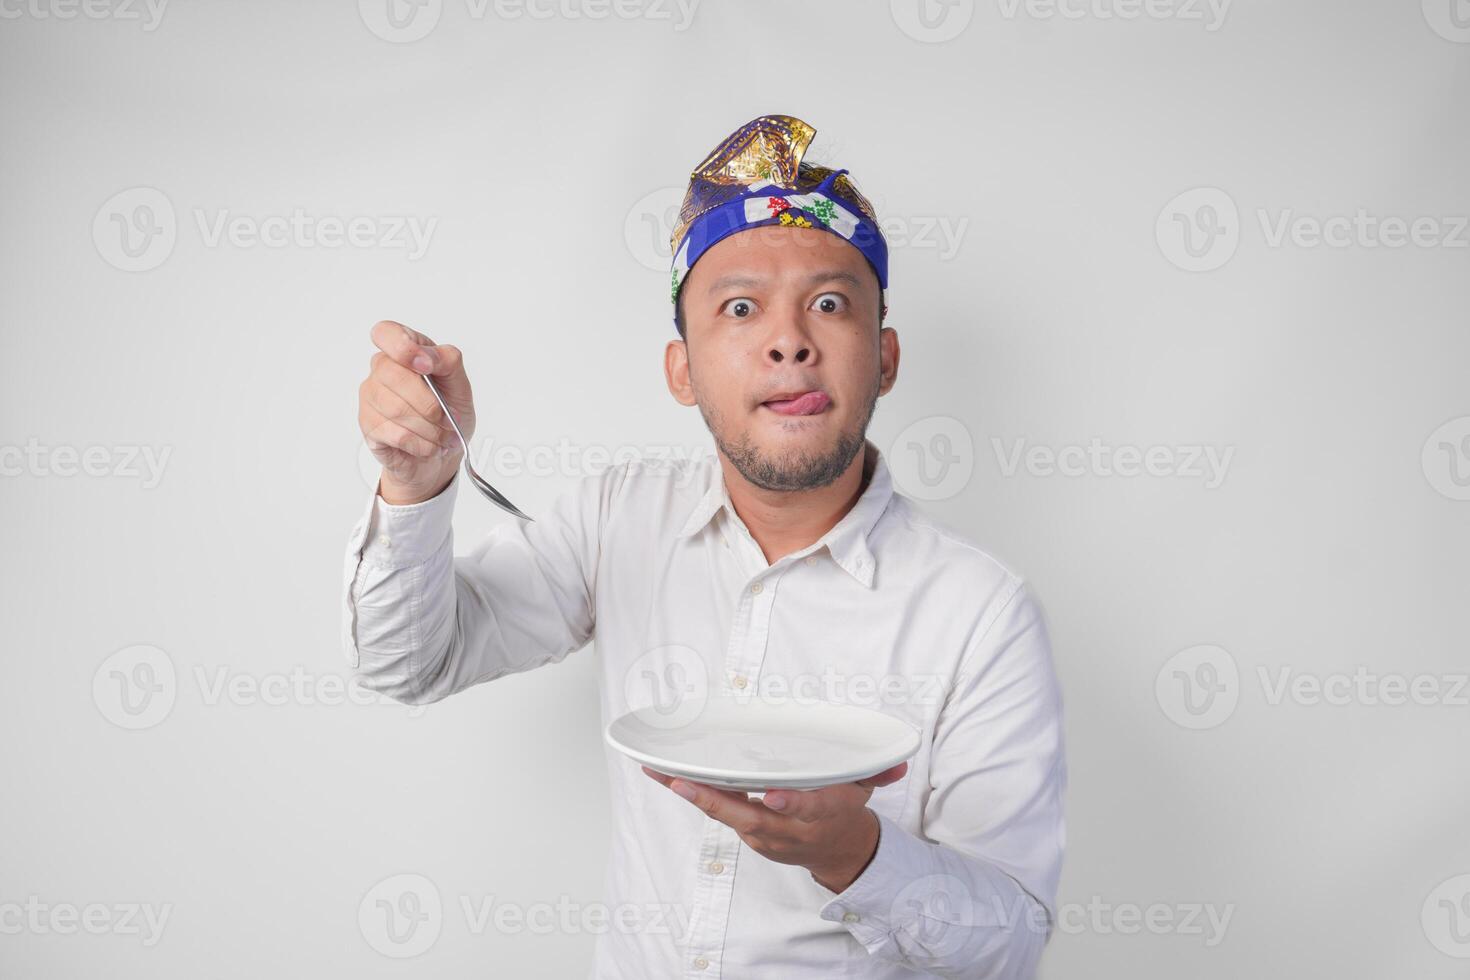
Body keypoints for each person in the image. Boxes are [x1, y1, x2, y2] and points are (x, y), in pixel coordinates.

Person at [345, 113, 1066, 978]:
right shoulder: (618, 518)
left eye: (829, 304)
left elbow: (1014, 944)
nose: (789, 338)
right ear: (681, 371)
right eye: (740, 307)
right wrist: (417, 487)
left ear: (884, 358)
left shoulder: (980, 612)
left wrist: (859, 855)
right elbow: (408, 665)